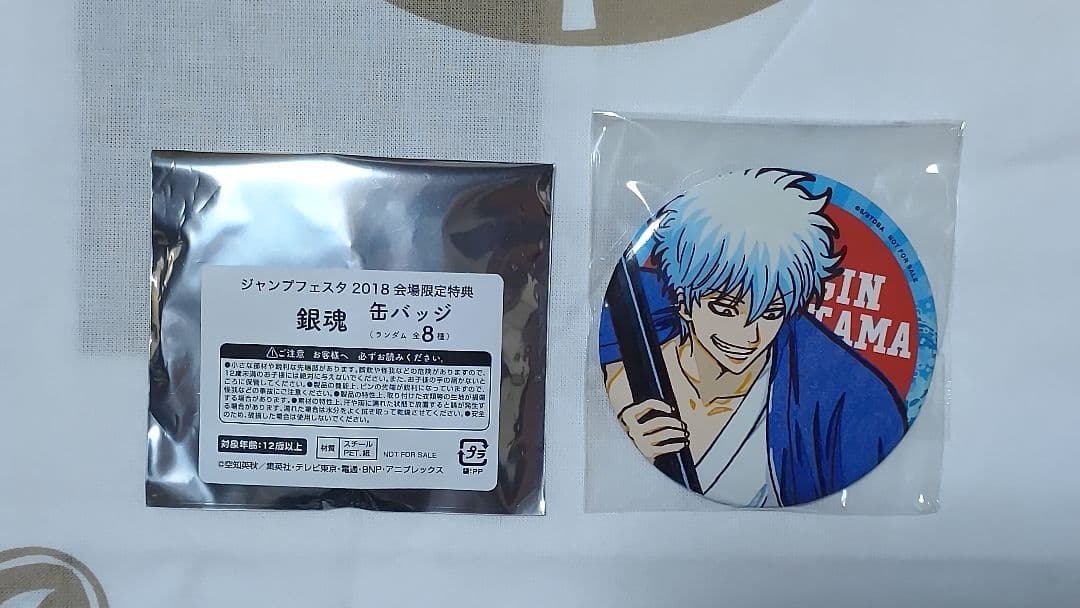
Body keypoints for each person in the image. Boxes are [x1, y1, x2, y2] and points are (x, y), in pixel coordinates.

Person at [600, 168, 906, 506]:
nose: (748, 335)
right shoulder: (623, 365)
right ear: (684, 302)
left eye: (771, 313)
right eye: (725, 309)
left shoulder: (837, 405)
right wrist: (625, 453)